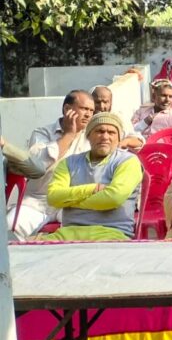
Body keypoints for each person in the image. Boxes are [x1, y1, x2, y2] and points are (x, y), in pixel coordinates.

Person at [34, 113, 142, 242]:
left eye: (111, 132)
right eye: (99, 131)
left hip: (111, 234)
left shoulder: (128, 161)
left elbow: (114, 198)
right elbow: (53, 197)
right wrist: (94, 188)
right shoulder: (68, 163)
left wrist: (70, 201)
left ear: (119, 138)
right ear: (88, 136)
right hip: (67, 234)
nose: (105, 137)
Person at [7, 90, 94, 239]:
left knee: (90, 231)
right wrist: (69, 135)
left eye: (91, 111)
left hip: (71, 204)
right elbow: (38, 165)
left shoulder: (91, 136)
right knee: (9, 228)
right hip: (37, 203)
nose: (88, 114)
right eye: (84, 109)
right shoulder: (42, 133)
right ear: (67, 109)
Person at [124, 80, 172, 149]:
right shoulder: (142, 111)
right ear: (154, 96)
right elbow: (131, 131)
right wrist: (145, 122)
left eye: (171, 97)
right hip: (138, 150)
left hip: (163, 152)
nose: (167, 100)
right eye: (163, 95)